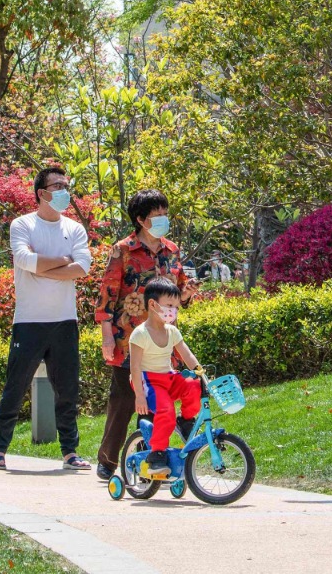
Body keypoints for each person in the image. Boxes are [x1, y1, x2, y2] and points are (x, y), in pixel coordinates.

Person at [0, 167, 93, 472]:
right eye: (57, 185)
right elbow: (24, 259)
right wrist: (63, 261)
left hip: (64, 321)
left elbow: (83, 267)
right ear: (41, 193)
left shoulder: (74, 229)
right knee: (15, 386)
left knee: (67, 389)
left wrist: (42, 266)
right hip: (29, 321)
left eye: (66, 185)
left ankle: (70, 452)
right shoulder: (22, 225)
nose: (64, 191)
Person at [93, 189, 198, 480]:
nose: (163, 219)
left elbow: (176, 293)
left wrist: (186, 294)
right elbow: (107, 295)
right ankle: (108, 461)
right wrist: (107, 336)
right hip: (128, 338)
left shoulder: (172, 250)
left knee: (156, 403)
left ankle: (152, 461)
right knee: (124, 401)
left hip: (161, 340)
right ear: (140, 219)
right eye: (157, 215)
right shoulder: (122, 249)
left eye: (165, 213)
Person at [130, 278, 202, 477]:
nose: (174, 311)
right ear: (153, 304)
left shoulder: (172, 331)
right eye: (169, 305)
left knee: (192, 386)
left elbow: (186, 355)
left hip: (168, 377)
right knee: (165, 411)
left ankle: (186, 420)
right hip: (149, 381)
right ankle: (157, 453)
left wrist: (200, 372)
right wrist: (139, 396)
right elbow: (134, 367)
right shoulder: (140, 334)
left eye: (176, 307)